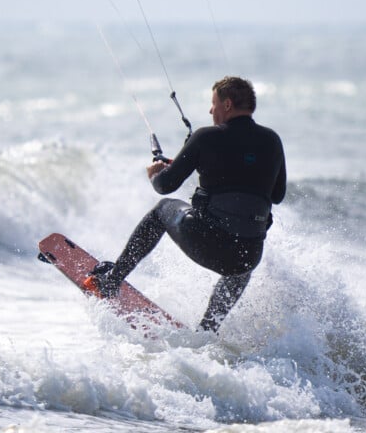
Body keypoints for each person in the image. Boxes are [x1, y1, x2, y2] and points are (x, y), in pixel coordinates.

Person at [85, 76, 287, 332]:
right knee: (242, 253)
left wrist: (155, 173)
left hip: (209, 243)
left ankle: (111, 282)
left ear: (227, 105)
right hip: (248, 255)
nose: (210, 110)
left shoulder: (205, 137)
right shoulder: (272, 140)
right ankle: (207, 330)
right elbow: (277, 195)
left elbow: (165, 186)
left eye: (213, 104)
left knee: (162, 210)